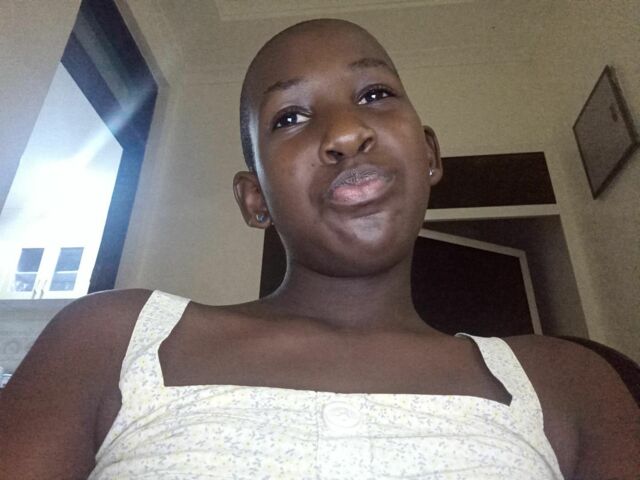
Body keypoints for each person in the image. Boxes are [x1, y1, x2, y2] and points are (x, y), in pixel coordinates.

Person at [0, 18, 638, 480]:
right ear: (254, 198)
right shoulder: (109, 340)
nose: (347, 132)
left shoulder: (570, 384)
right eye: (290, 118)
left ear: (429, 154)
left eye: (374, 95)